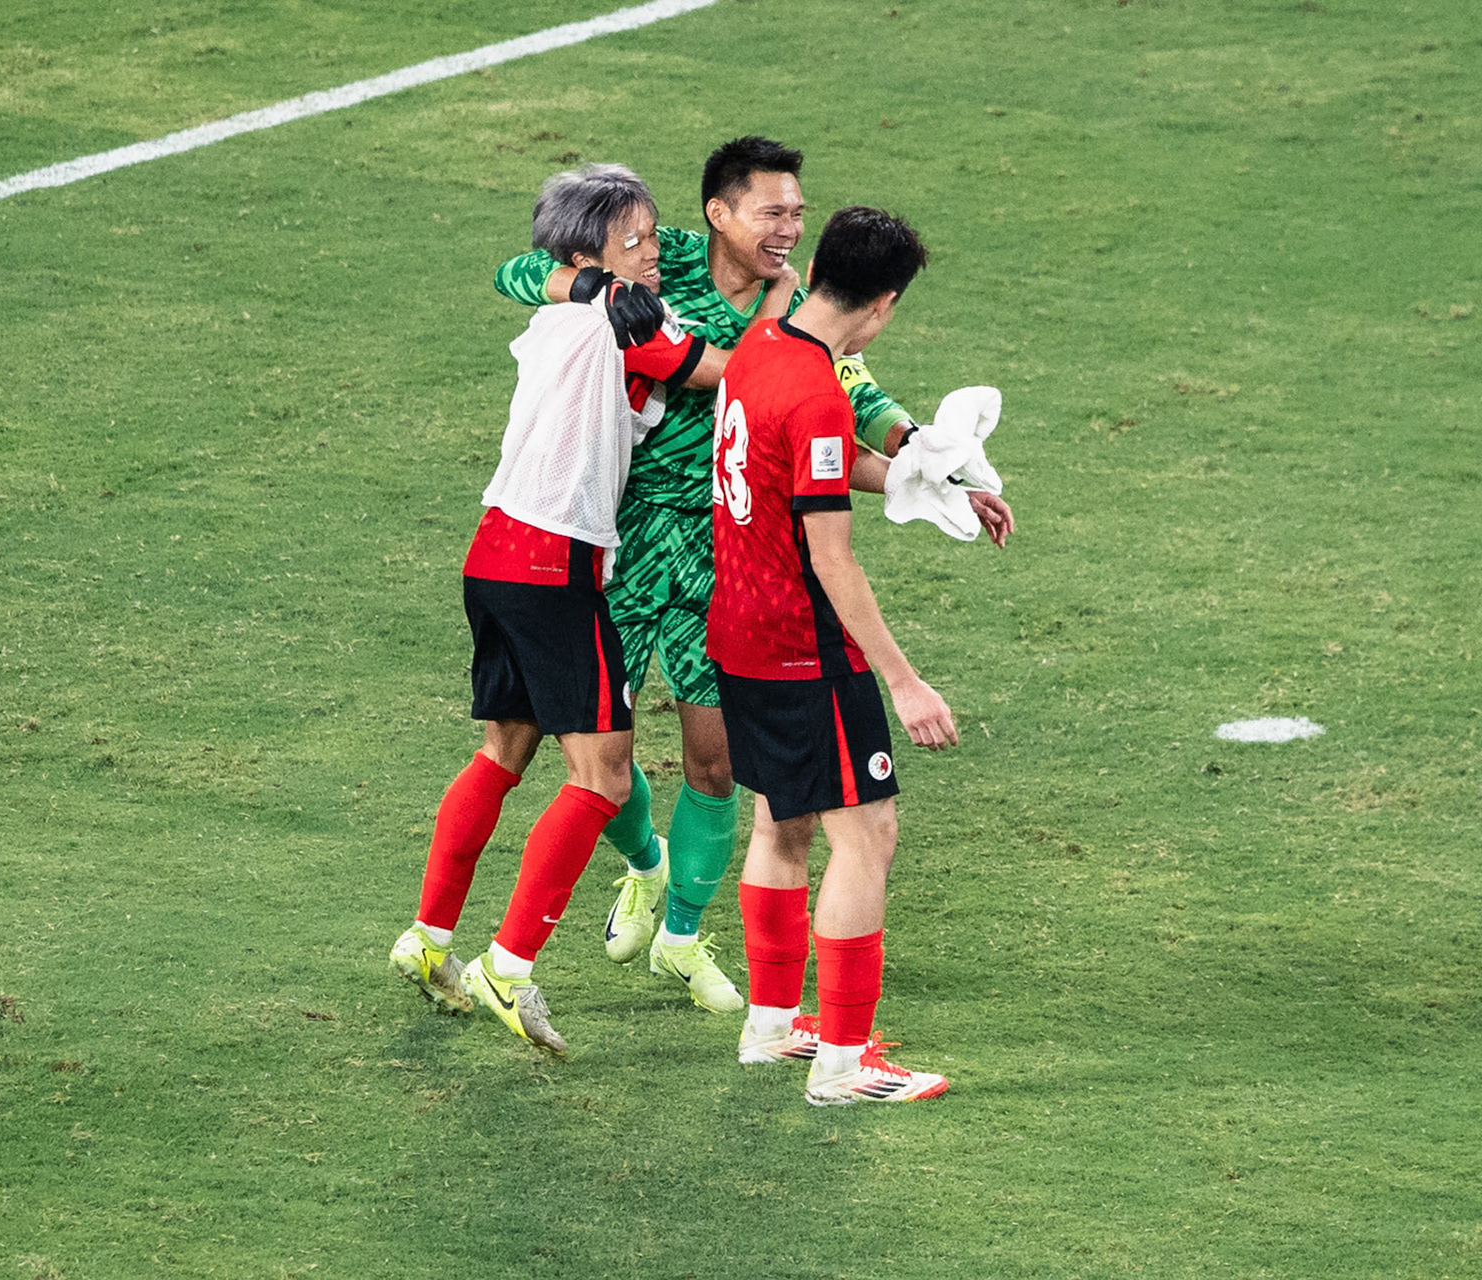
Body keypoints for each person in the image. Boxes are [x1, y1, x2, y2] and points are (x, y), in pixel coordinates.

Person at [492, 138, 1014, 1015]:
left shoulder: (798, 319)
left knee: (716, 762)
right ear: (719, 215)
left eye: (797, 214)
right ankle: (647, 868)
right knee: (600, 755)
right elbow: (516, 271)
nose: (786, 229)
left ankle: (684, 938)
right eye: (771, 212)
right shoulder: (657, 261)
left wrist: (929, 457)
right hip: (623, 538)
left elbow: (856, 397)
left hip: (720, 555)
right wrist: (590, 288)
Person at [389, 164, 779, 1053]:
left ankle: (428, 939)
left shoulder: (572, 309)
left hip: (494, 551)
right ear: (585, 257)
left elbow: (531, 275)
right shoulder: (621, 322)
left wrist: (599, 282)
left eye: (651, 238)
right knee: (601, 777)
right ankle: (510, 966)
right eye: (630, 243)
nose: (649, 256)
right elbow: (725, 374)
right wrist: (798, 321)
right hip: (556, 565)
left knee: (503, 752)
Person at [709, 206, 955, 1104]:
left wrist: (918, 480)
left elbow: (801, 459)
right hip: (803, 646)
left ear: (815, 267)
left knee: (784, 820)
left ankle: (772, 1029)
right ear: (884, 306)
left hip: (736, 627)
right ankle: (847, 1068)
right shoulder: (818, 389)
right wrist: (905, 680)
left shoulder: (763, 345)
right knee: (868, 832)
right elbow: (831, 556)